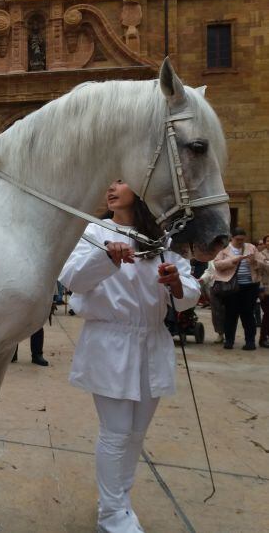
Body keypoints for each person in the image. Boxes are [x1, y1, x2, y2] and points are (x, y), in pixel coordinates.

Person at [59, 180, 200, 533]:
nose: (110, 188)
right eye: (108, 182)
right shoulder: (94, 230)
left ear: (141, 189)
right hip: (111, 341)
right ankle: (111, 513)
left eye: (121, 181)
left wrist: (176, 284)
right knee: (116, 431)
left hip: (151, 341)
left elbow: (188, 289)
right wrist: (106, 257)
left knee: (137, 433)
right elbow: (72, 278)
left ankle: (120, 502)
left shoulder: (162, 240)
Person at [213, 228, 267, 350]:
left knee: (248, 313)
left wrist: (254, 261)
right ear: (232, 237)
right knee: (231, 314)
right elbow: (217, 265)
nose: (240, 242)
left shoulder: (251, 247)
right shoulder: (224, 249)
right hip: (231, 286)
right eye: (238, 239)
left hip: (250, 285)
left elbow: (262, 263)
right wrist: (233, 260)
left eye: (243, 239)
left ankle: (250, 341)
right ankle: (229, 340)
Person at [258, 235, 269, 347]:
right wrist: (260, 289)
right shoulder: (261, 256)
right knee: (267, 314)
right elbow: (259, 274)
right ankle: (263, 337)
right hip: (266, 289)